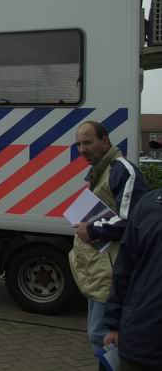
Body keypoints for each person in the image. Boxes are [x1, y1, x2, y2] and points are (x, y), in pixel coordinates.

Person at [69, 121, 149, 364]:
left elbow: (134, 220)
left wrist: (92, 229)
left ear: (105, 140)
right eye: (78, 144)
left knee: (102, 337)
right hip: (101, 270)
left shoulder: (121, 170)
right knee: (99, 336)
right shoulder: (101, 170)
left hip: (112, 272)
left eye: (88, 142)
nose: (82, 149)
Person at [103, 189, 162, 371]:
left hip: (140, 339)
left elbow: (123, 269)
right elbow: (124, 268)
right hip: (141, 341)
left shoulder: (149, 204)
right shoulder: (149, 204)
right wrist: (114, 325)